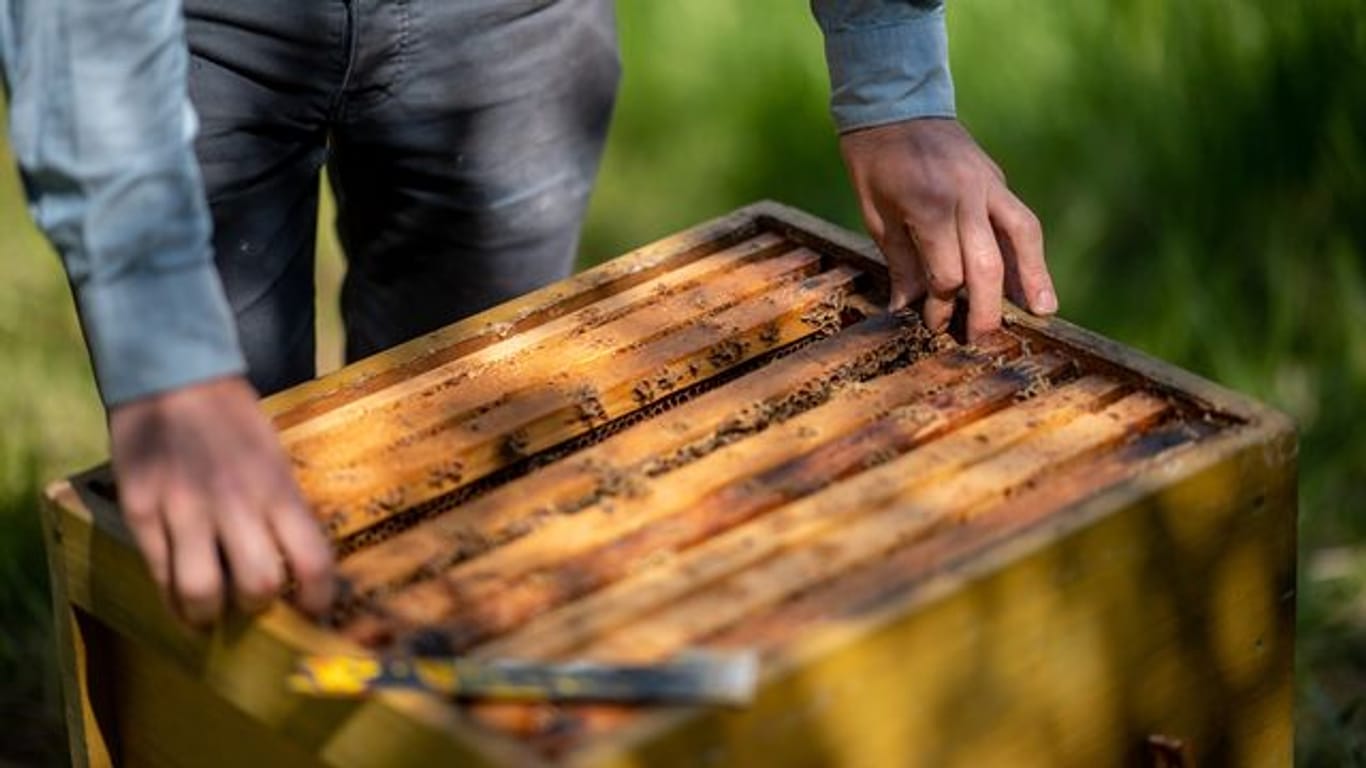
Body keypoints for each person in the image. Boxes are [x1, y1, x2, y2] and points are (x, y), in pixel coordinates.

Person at [1, 0, 1056, 628]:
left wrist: (895, 87)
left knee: (482, 520)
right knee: (231, 559)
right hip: (190, 31)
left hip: (514, 30)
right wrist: (163, 343)